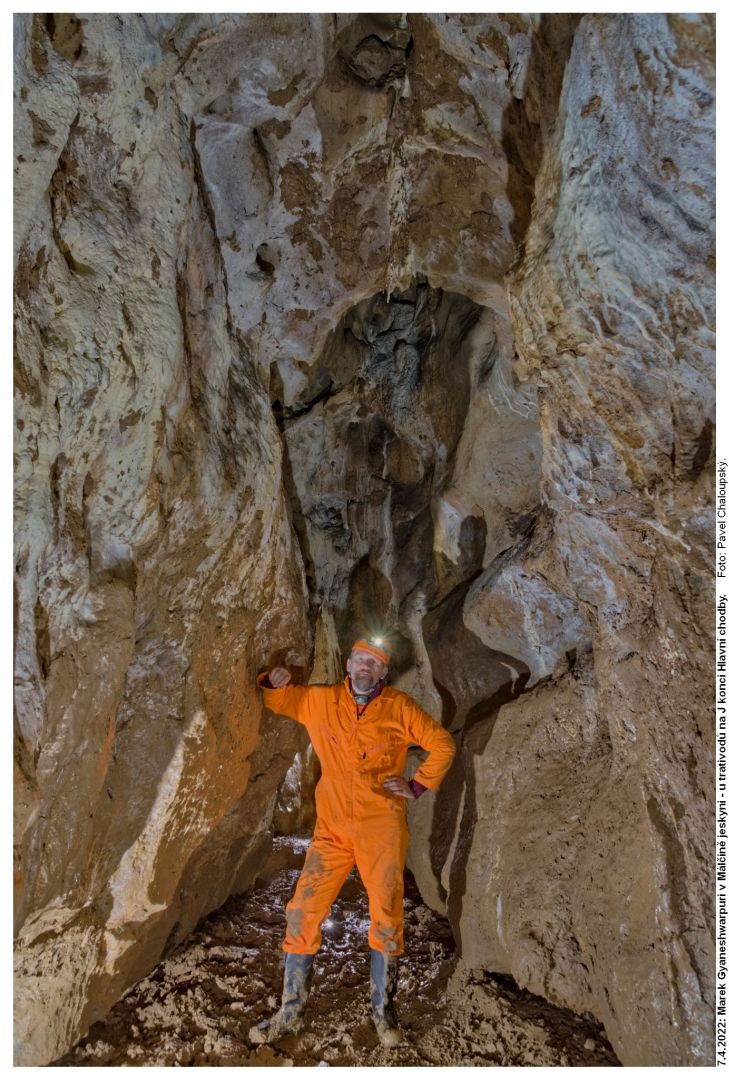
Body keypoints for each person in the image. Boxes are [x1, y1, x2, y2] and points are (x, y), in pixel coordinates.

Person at [249, 637, 456, 1048]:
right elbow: (279, 700)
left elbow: (442, 744)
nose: (366, 667)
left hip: (381, 827)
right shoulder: (322, 701)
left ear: (382, 673)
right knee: (303, 909)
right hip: (332, 831)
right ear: (348, 664)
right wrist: (274, 680)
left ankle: (383, 1010)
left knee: (386, 913)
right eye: (361, 659)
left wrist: (416, 786)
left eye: (375, 663)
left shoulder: (399, 708)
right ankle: (290, 1010)